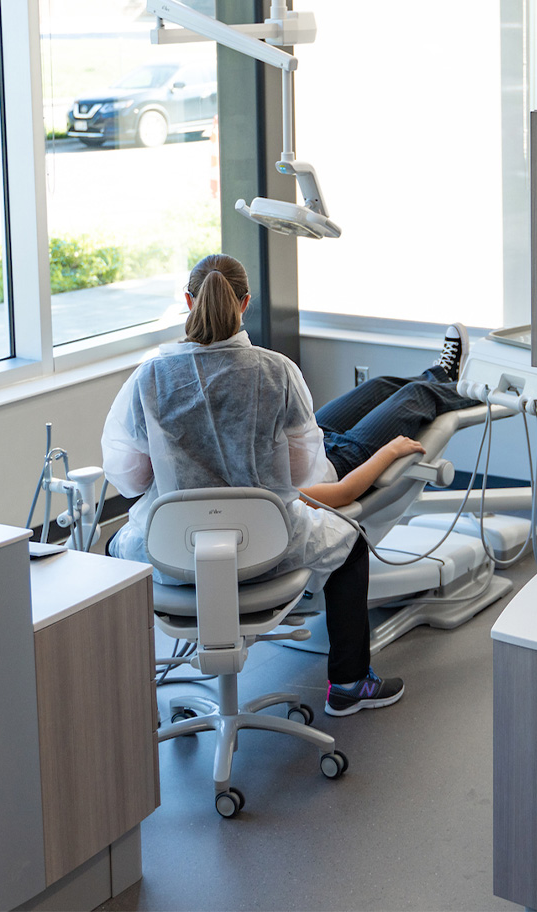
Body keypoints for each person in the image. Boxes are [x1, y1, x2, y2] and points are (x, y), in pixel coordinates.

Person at [102, 253, 478, 716]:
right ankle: (349, 682)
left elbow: (129, 478)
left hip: (178, 546)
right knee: (353, 536)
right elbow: (304, 476)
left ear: (187, 301)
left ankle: (126, 691)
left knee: (380, 388)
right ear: (245, 304)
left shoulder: (149, 378)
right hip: (266, 541)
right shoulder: (274, 371)